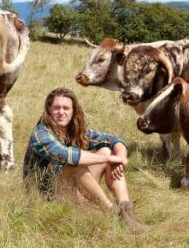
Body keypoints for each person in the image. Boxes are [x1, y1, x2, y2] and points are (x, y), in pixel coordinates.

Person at [23, 87, 147, 232]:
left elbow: (113, 140)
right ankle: (113, 214)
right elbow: (66, 155)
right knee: (75, 164)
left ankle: (126, 208)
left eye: (66, 108)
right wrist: (110, 158)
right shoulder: (40, 133)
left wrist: (120, 157)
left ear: (73, 110)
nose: (61, 112)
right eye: (56, 108)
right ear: (48, 110)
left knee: (107, 149)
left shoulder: (73, 131)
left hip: (70, 191)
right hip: (46, 197)